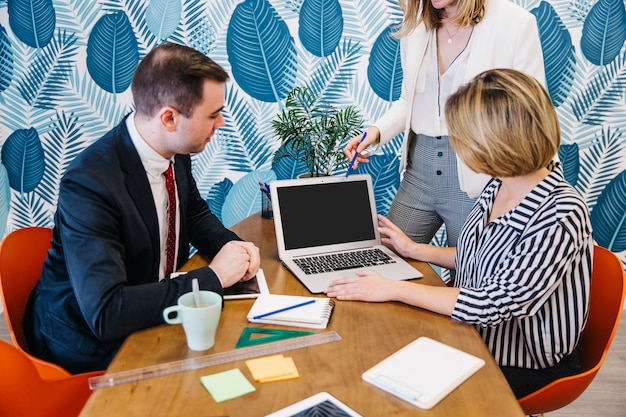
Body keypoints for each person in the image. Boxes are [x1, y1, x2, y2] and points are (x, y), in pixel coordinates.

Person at [326, 68, 593, 399]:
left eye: (461, 138)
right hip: (474, 334)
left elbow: (491, 303)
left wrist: (391, 288)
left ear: (496, 144)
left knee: (393, 385)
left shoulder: (559, 214)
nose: (455, 148)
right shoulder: (499, 184)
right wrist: (415, 250)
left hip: (523, 362)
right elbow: (482, 257)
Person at [24, 43, 260, 374]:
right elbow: (107, 312)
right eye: (213, 114)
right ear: (169, 118)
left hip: (152, 303)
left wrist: (229, 245)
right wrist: (215, 276)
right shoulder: (89, 184)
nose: (221, 123)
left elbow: (192, 213)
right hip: (88, 338)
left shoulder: (175, 149)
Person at [344, 0, 545, 250]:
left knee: (468, 275)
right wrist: (375, 133)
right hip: (419, 171)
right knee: (385, 256)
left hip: (478, 176)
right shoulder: (417, 23)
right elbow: (410, 99)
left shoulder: (515, 23)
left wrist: (549, 199)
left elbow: (533, 113)